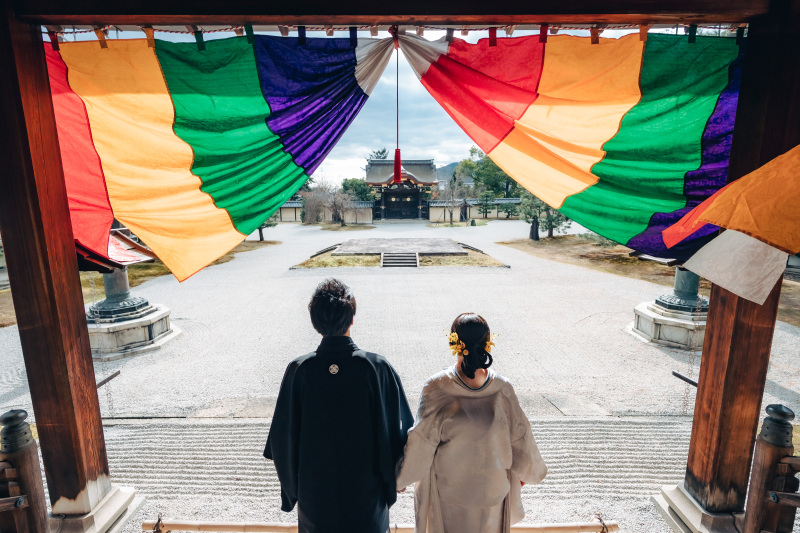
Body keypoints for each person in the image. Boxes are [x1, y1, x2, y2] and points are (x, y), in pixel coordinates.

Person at [264, 278, 414, 533]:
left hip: (315, 499)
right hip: (368, 496)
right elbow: (401, 430)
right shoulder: (377, 367)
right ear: (352, 318)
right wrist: (397, 474)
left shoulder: (299, 371)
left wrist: (294, 491)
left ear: (315, 322)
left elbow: (282, 440)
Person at [396, 313, 547, 533]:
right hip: (493, 497)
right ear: (488, 343)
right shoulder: (502, 388)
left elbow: (421, 443)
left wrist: (400, 478)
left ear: (453, 343)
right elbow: (521, 437)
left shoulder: (437, 388)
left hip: (451, 498)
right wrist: (526, 472)